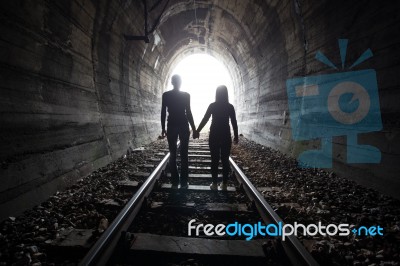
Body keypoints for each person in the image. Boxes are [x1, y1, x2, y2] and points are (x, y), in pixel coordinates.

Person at [194, 85, 238, 191]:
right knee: (225, 160)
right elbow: (234, 122)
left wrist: (197, 131)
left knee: (214, 160)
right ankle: (224, 184)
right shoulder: (230, 107)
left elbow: (205, 119)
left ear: (216, 94)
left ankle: (214, 184)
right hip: (225, 135)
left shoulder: (212, 106)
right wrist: (236, 136)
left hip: (214, 134)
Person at [161, 75, 196, 189]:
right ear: (180, 83)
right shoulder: (186, 95)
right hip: (183, 124)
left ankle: (175, 182)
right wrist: (194, 128)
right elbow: (189, 112)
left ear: (172, 82)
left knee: (172, 153)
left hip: (171, 125)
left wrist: (163, 128)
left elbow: (163, 112)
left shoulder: (166, 95)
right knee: (184, 154)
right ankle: (184, 182)